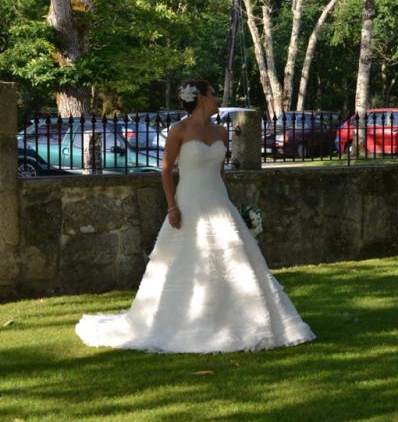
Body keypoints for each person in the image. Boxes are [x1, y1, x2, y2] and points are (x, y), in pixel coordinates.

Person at [75, 79, 316, 353]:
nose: (216, 100)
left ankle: (240, 320)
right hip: (188, 202)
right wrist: (171, 206)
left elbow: (220, 172)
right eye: (213, 94)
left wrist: (230, 204)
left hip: (218, 201)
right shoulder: (179, 130)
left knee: (234, 258)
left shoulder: (221, 133)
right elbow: (166, 170)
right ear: (201, 98)